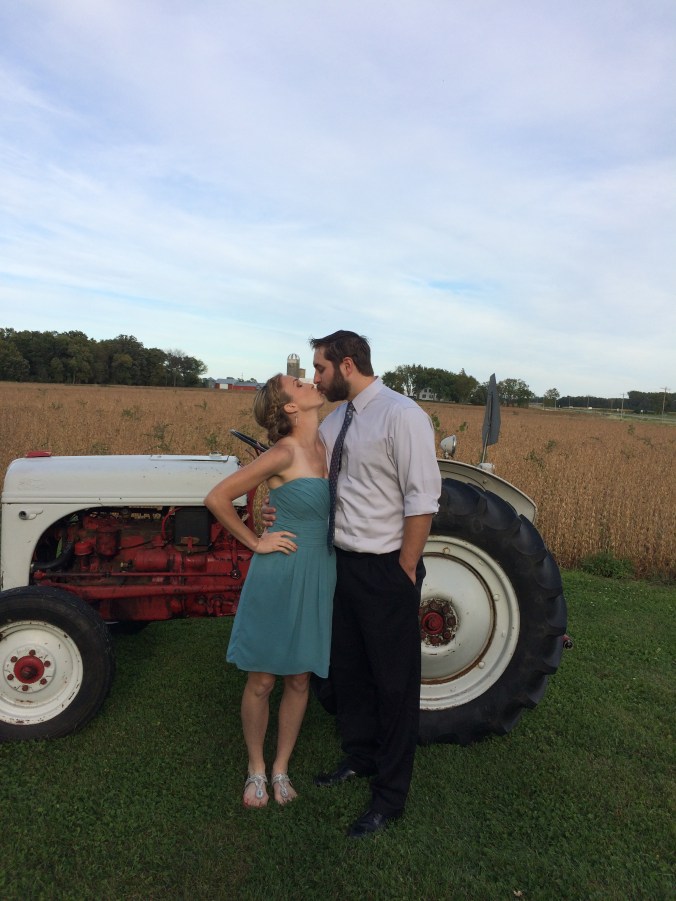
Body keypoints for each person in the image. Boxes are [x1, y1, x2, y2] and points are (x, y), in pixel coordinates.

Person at [263, 330, 441, 837]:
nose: (315, 378)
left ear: (344, 365)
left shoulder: (401, 416)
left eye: (318, 369)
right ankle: (359, 756)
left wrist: (406, 566)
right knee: (349, 671)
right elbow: (313, 478)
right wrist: (280, 502)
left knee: (394, 683)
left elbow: (422, 497)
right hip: (338, 563)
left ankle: (390, 795)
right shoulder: (337, 418)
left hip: (386, 568)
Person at [204, 373, 335, 809]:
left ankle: (281, 768)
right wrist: (257, 540)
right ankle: (256, 769)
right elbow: (218, 497)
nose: (310, 382)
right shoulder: (283, 452)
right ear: (291, 408)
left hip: (320, 571)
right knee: (262, 679)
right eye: (298, 384)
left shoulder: (327, 446)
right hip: (280, 572)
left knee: (299, 677)